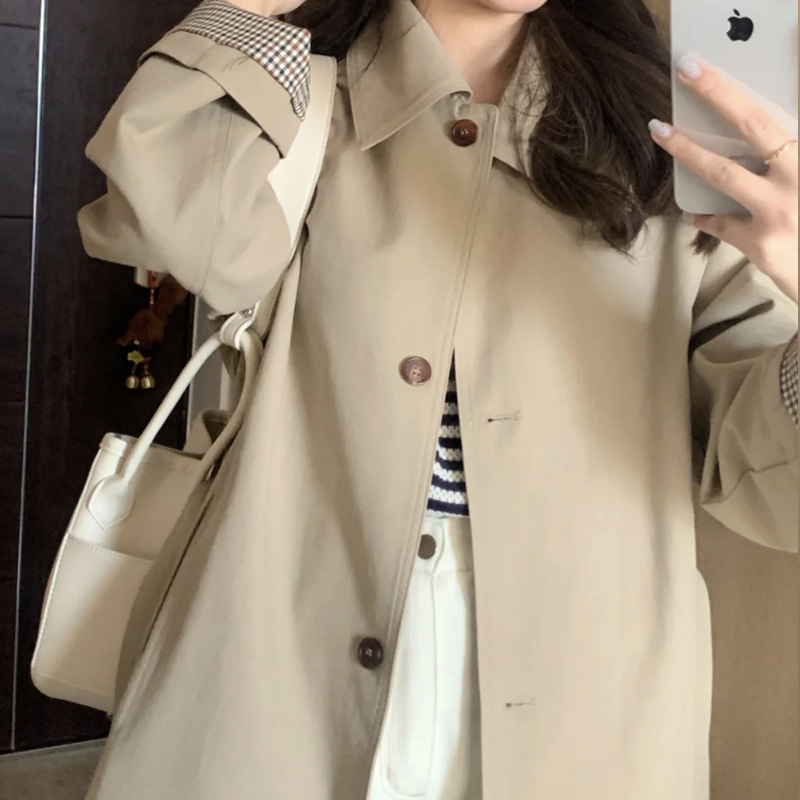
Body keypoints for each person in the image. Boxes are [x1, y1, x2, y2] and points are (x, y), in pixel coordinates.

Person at [77, 1, 798, 798]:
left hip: (587, 698)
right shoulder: (298, 88)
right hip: (276, 658)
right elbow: (167, 231)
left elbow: (763, 473)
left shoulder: (671, 137)